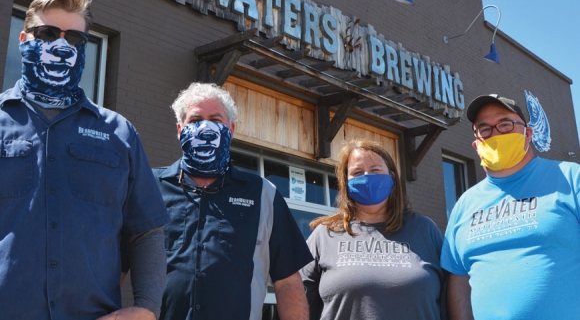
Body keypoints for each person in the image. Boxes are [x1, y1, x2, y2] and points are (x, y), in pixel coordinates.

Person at [0, 0, 170, 320]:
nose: (62, 46)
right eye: (47, 33)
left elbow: (146, 231)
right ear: (24, 40)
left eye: (74, 38)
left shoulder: (119, 133)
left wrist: (147, 308)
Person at [155, 81, 313, 320]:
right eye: (195, 121)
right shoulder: (149, 188)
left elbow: (288, 281)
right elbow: (117, 262)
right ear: (179, 129)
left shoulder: (263, 194)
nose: (205, 128)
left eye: (216, 121)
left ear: (231, 129)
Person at [440, 94, 580, 320]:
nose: (495, 133)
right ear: (476, 145)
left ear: (528, 133)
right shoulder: (464, 204)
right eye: (484, 129)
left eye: (505, 124)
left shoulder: (572, 178)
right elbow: (459, 281)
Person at [300, 140, 447, 320]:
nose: (367, 176)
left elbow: (452, 295)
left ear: (392, 177)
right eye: (357, 172)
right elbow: (299, 301)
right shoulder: (324, 235)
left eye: (376, 169)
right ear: (345, 182)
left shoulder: (425, 230)